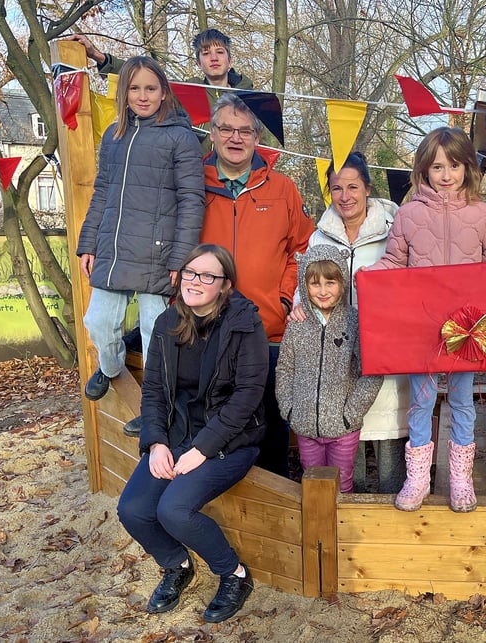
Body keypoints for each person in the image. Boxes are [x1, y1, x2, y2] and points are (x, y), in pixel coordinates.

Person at [367, 127, 486, 513]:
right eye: (437, 167)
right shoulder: (407, 215)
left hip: (466, 327)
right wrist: (370, 275)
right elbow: (394, 261)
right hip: (421, 326)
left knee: (462, 400)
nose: (446, 174)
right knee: (421, 402)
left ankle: (460, 478)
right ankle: (418, 478)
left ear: (468, 167)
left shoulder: (485, 215)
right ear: (423, 169)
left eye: (454, 165)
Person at [117, 244, 266, 624]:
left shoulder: (245, 324)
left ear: (225, 285)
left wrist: (202, 449)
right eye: (190, 272)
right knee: (133, 510)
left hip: (230, 439)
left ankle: (234, 574)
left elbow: (247, 397)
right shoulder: (167, 323)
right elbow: (153, 391)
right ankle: (177, 564)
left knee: (174, 510)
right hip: (177, 433)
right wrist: (156, 442)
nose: (195, 281)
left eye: (207, 276)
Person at [200, 92, 315, 477]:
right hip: (206, 330)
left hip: (268, 330)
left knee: (271, 429)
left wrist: (283, 297)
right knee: (214, 427)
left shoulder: (282, 189)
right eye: (226, 129)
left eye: (245, 130)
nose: (235, 137)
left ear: (257, 137)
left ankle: (276, 498)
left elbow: (303, 248)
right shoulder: (192, 185)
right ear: (212, 133)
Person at [76, 56, 204, 403]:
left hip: (159, 253)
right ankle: (110, 367)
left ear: (164, 92)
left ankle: (153, 405)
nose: (143, 96)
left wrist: (181, 258)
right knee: (98, 322)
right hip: (115, 247)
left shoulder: (181, 137)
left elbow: (192, 200)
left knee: (154, 333)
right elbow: (102, 191)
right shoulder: (114, 136)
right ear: (124, 93)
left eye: (150, 88)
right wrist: (89, 242)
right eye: (134, 88)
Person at [289, 152, 409, 493]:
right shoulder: (321, 235)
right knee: (344, 449)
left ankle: (391, 514)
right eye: (337, 188)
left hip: (385, 351)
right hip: (337, 360)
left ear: (368, 188)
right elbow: (306, 283)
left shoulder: (394, 231)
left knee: (389, 448)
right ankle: (346, 515)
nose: (345, 196)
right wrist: (298, 306)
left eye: (353, 187)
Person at [276, 245, 383, 493]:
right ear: (305, 286)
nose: (323, 291)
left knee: (341, 485)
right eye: (315, 284)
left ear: (342, 282)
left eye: (330, 283)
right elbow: (285, 369)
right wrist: (290, 408)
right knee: (313, 485)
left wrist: (351, 414)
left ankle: (342, 520)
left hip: (343, 428)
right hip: (305, 426)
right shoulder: (297, 325)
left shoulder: (354, 322)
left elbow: (372, 371)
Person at [65, 29, 253, 89]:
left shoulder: (251, 98)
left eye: (219, 52)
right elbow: (145, 76)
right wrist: (97, 55)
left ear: (230, 60)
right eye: (205, 53)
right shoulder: (189, 91)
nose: (213, 58)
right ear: (198, 63)